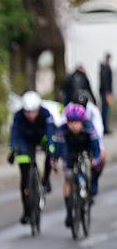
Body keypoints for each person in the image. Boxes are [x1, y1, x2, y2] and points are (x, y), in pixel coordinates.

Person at [8, 91, 55, 224]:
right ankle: (27, 211)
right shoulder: (18, 116)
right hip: (26, 141)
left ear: (38, 109)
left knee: (51, 151)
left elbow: (50, 132)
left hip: (42, 138)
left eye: (33, 112)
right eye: (27, 112)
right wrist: (12, 150)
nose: (30, 115)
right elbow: (14, 134)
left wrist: (51, 146)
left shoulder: (45, 114)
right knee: (24, 177)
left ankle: (46, 179)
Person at [53, 103, 101, 227]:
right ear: (67, 122)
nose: (74, 126)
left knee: (92, 166)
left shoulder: (89, 127)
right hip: (69, 152)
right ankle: (69, 212)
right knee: (68, 178)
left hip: (85, 149)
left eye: (77, 122)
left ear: (82, 121)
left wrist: (95, 158)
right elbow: (58, 148)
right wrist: (55, 160)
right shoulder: (62, 130)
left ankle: (89, 189)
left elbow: (96, 145)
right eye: (71, 122)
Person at [71, 90, 107, 196]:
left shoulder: (93, 110)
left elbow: (98, 132)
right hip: (74, 139)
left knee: (102, 157)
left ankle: (94, 179)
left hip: (89, 138)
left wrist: (99, 151)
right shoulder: (69, 109)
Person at [100, 52, 113, 134]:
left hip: (105, 92)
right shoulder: (106, 67)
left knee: (106, 110)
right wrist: (108, 92)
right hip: (106, 92)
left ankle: (105, 127)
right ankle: (105, 128)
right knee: (106, 110)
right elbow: (105, 81)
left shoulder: (103, 67)